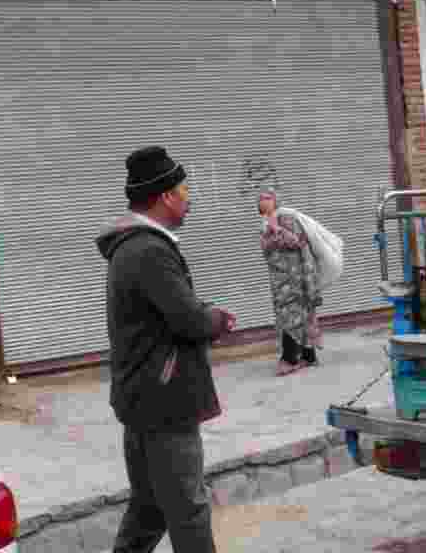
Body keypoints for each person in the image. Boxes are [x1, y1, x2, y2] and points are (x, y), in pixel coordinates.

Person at [96, 146, 235, 553]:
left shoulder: (137, 248)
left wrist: (200, 311)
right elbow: (188, 320)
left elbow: (170, 309)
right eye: (184, 189)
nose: (189, 198)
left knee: (151, 506)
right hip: (163, 399)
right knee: (188, 509)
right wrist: (216, 319)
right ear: (165, 196)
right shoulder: (149, 251)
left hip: (143, 396)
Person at [257, 187, 323, 376]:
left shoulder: (288, 218)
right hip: (280, 279)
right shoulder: (263, 223)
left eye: (267, 197)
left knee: (293, 316)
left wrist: (277, 229)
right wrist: (269, 233)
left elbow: (298, 242)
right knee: (294, 315)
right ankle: (308, 356)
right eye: (261, 199)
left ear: (276, 200)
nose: (264, 201)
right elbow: (266, 249)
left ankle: (289, 358)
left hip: (295, 278)